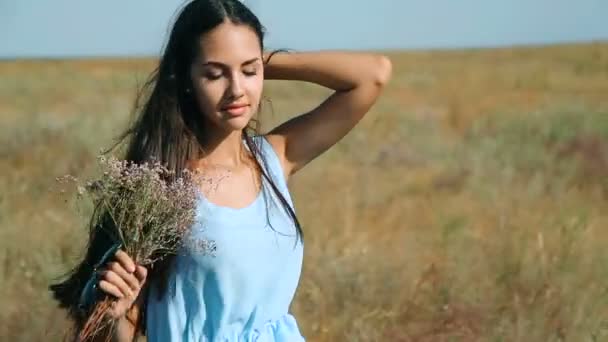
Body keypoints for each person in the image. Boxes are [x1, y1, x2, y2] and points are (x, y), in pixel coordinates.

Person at [50, 0, 392, 340]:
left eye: (249, 71)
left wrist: (256, 58)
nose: (236, 90)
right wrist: (114, 317)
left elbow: (373, 75)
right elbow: (118, 326)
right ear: (186, 76)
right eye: (215, 73)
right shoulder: (158, 188)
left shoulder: (274, 158)